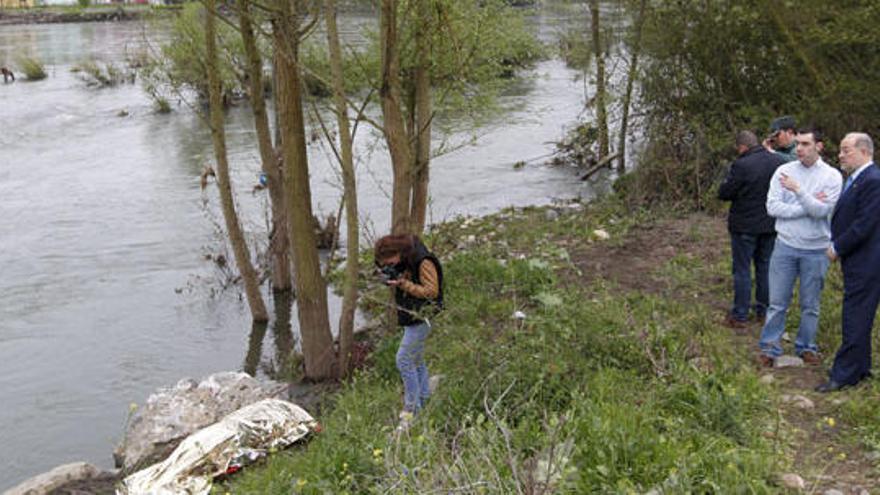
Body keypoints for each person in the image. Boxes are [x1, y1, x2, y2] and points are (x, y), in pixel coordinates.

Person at [757, 127, 841, 367]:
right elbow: (773, 208)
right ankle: (770, 347)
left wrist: (798, 191)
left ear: (819, 146)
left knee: (811, 304)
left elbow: (823, 211)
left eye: (805, 144)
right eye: (798, 144)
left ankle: (806, 346)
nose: (800, 149)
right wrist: (808, 205)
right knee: (777, 302)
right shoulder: (783, 171)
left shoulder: (831, 176)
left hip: (816, 249)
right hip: (785, 245)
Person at [817, 133, 880, 392]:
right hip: (860, 259)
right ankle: (860, 367)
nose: (840, 155)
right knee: (860, 314)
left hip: (868, 261)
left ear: (864, 152)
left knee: (855, 315)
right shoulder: (857, 179)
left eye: (846, 150)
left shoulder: (873, 180)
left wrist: (837, 246)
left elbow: (865, 224)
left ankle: (843, 374)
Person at [718, 130, 786, 328]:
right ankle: (763, 311)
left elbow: (725, 192)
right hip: (769, 224)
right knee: (765, 268)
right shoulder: (777, 162)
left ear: (742, 147)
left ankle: (740, 314)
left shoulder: (741, 165)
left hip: (744, 226)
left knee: (742, 270)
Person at [374, 234, 444, 425]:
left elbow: (432, 291)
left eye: (390, 261)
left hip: (424, 316)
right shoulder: (404, 259)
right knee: (416, 359)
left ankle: (411, 411)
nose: (390, 264)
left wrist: (403, 284)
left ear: (398, 252)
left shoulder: (423, 261)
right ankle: (424, 398)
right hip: (412, 316)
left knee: (403, 360)